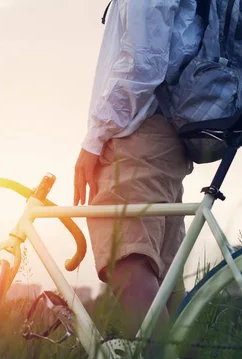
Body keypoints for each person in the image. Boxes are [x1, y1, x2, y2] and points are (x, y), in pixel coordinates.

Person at [73, 0, 202, 339]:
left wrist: (95, 137)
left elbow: (143, 62)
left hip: (138, 133)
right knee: (163, 289)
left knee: (126, 262)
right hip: (166, 139)